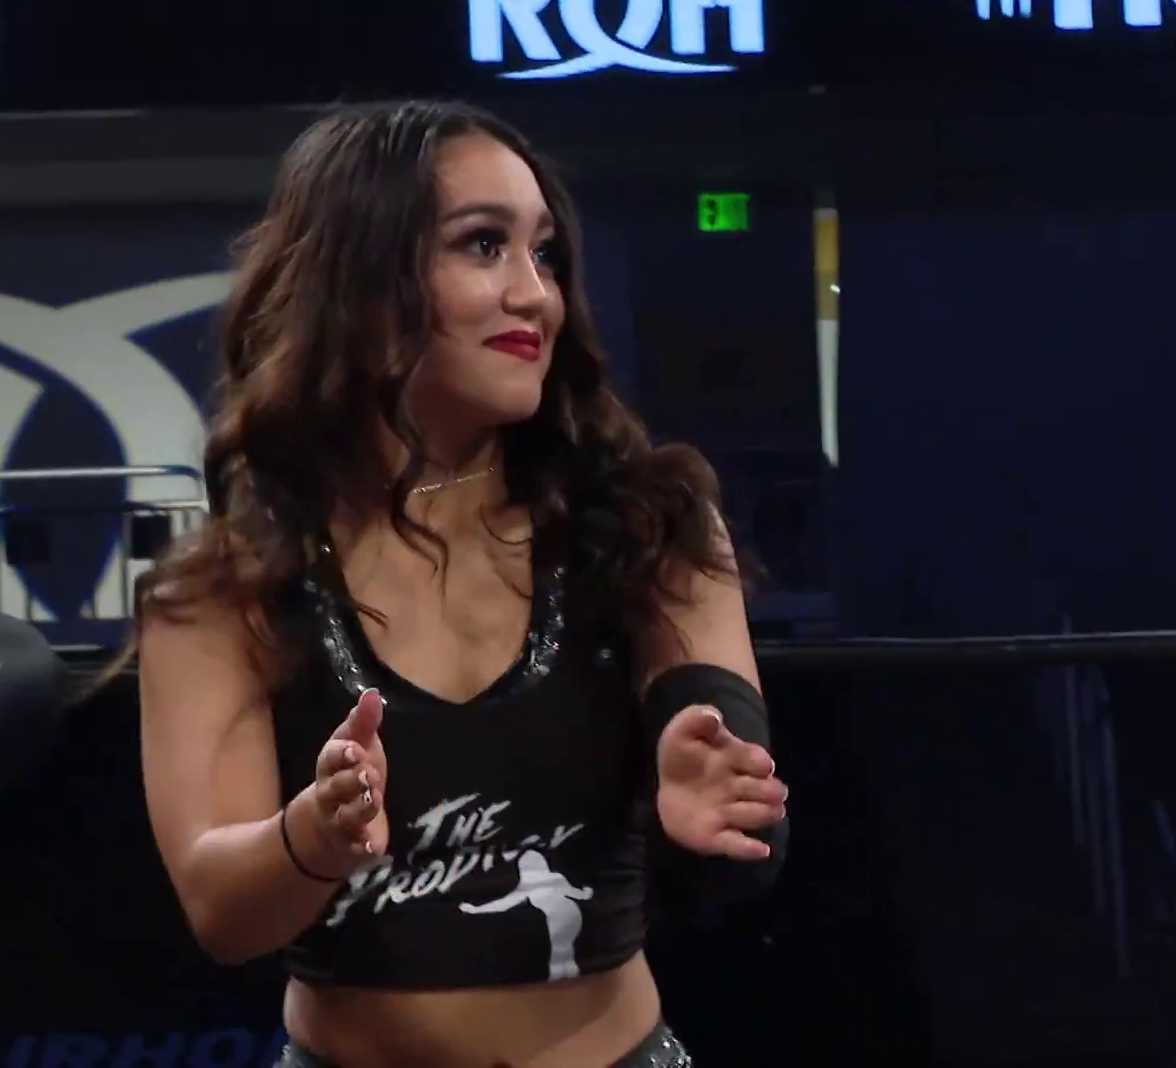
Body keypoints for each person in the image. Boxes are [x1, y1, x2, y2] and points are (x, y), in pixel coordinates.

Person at [129, 100, 789, 1068]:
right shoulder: (224, 587)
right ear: (363, 281)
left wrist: (714, 813)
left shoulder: (653, 523)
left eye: (545, 253)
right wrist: (312, 838)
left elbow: (751, 842)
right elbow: (221, 914)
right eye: (484, 246)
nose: (536, 294)